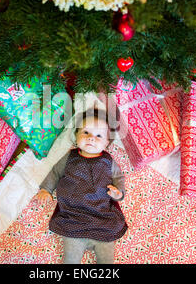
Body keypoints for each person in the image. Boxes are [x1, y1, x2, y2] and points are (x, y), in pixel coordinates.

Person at [34, 108, 127, 264]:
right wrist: (46, 189)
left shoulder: (108, 160)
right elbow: (55, 173)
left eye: (98, 136)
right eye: (85, 133)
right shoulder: (70, 157)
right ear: (76, 136)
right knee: (70, 259)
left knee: (106, 259)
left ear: (106, 143)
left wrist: (119, 193)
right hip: (73, 218)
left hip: (102, 217)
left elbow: (119, 177)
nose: (91, 138)